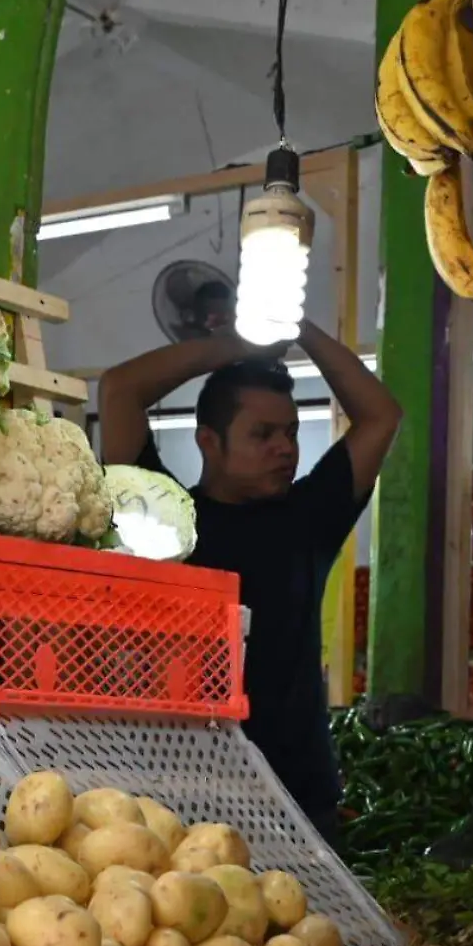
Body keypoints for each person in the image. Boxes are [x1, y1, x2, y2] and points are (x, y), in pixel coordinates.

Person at [99, 322, 402, 840]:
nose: (285, 449)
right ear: (209, 442)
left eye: (289, 432)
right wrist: (243, 344)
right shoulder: (164, 518)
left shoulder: (310, 518)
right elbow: (118, 390)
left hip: (297, 796)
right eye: (262, 435)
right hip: (181, 793)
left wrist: (301, 330)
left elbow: (380, 415)